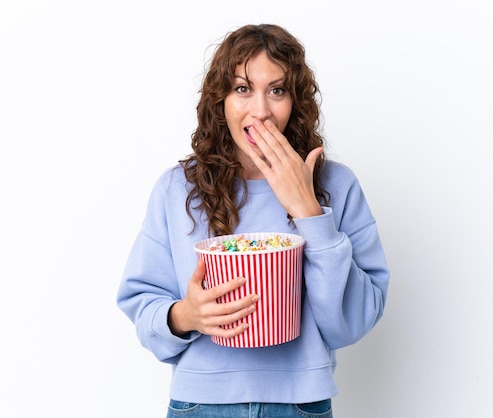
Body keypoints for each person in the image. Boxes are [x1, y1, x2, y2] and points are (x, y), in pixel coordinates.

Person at [116, 23, 389, 418]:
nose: (261, 111)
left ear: (295, 101)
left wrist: (309, 211)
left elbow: (354, 321)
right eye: (243, 89)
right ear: (220, 100)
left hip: (301, 404)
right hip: (200, 404)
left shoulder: (337, 185)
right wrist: (184, 316)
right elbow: (141, 300)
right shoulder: (177, 189)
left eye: (277, 90)